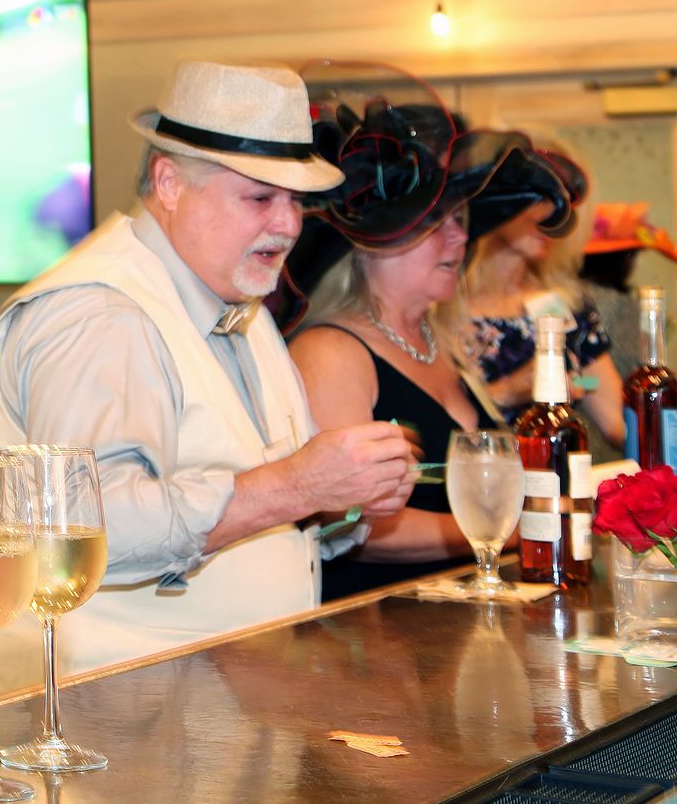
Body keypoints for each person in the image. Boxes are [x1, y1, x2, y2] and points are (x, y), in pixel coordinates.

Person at [0, 60, 419, 682]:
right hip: (106, 716)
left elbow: (250, 501)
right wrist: (300, 486)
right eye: (260, 197)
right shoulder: (99, 310)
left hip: (213, 710)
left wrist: (340, 505)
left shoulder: (235, 295)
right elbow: (82, 530)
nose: (289, 225)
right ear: (168, 184)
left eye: (296, 201)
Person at [284, 85, 576, 598]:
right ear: (371, 247)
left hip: (455, 613)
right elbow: (345, 524)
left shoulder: (438, 343)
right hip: (371, 633)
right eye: (435, 225)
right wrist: (505, 531)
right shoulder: (331, 352)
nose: (459, 239)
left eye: (460, 222)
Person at [465, 143, 622, 449]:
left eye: (562, 205)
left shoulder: (566, 304)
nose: (552, 217)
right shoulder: (439, 306)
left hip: (556, 480)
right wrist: (510, 390)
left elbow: (614, 416)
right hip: (474, 481)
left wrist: (576, 383)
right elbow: (433, 423)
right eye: (540, 199)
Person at [579, 203, 677, 379]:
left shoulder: (560, 297)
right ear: (625, 260)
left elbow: (584, 382)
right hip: (616, 400)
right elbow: (632, 374)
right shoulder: (624, 307)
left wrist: (580, 385)